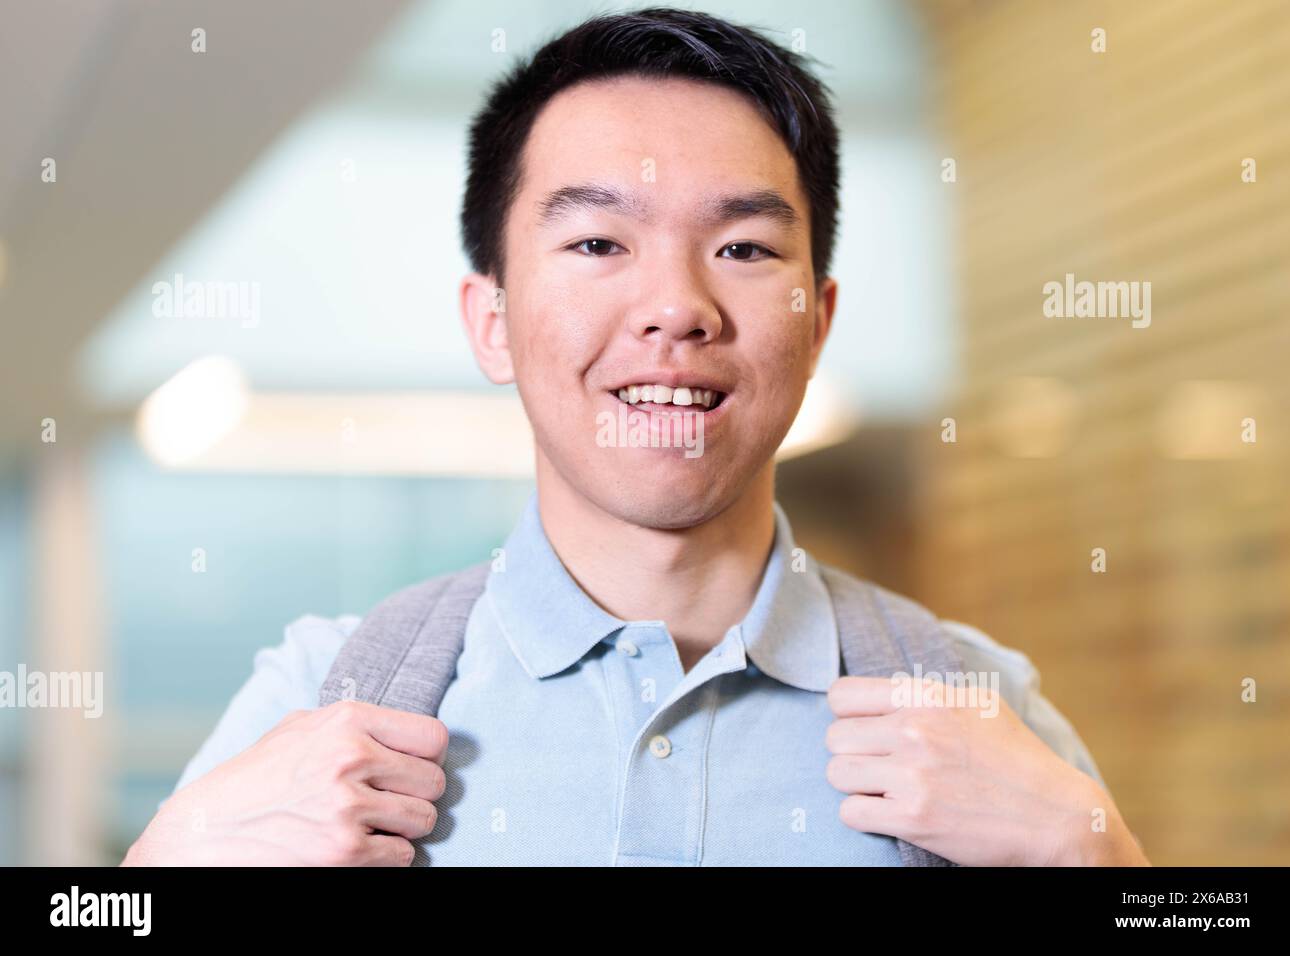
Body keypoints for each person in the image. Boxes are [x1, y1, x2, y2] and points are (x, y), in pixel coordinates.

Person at [122, 6, 1148, 867]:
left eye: (742, 245)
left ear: (819, 320)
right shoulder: (325, 695)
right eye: (598, 241)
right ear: (492, 321)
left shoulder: (976, 699)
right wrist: (172, 853)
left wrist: (1093, 854)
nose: (675, 306)